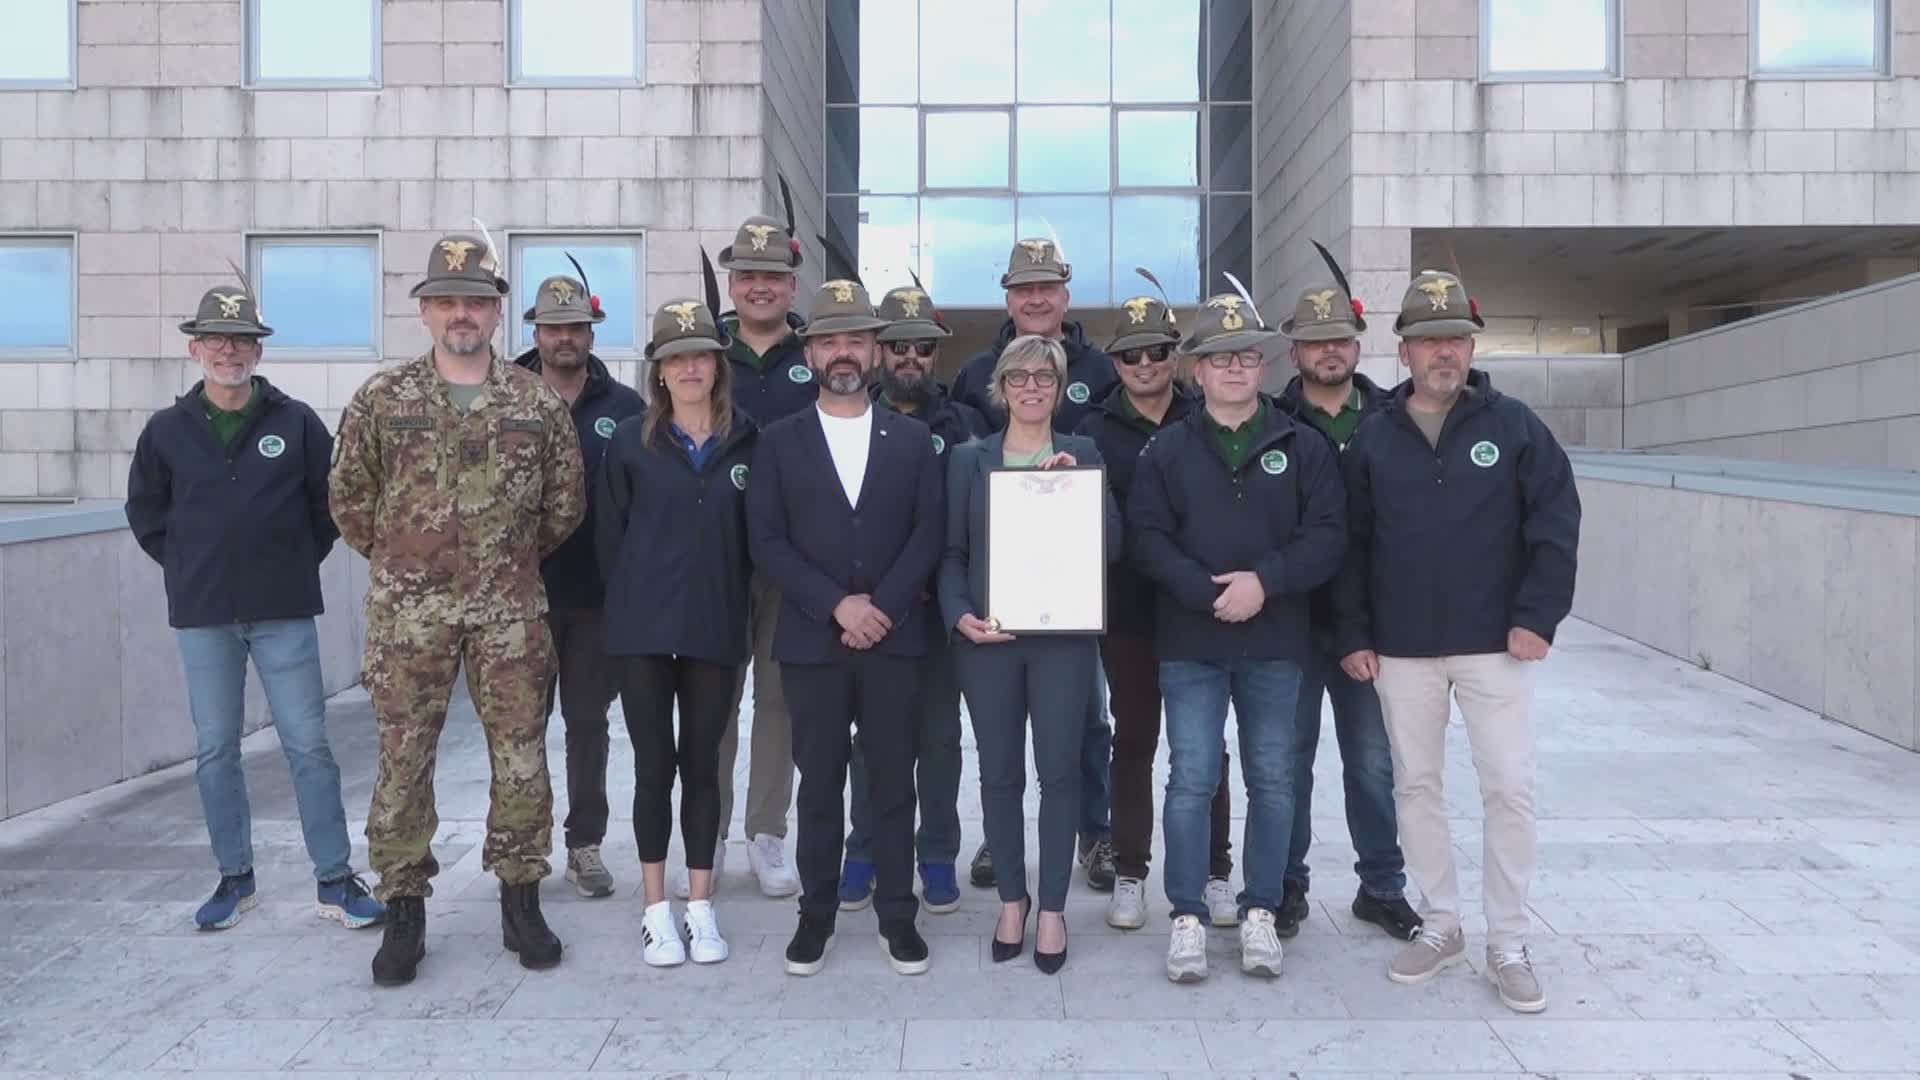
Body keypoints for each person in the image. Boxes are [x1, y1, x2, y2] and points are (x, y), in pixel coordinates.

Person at [330, 233, 586, 986]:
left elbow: (564, 505)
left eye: (474, 301)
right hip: (410, 615)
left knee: (521, 756)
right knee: (403, 758)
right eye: (445, 301)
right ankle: (404, 908)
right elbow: (349, 499)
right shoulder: (383, 399)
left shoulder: (534, 402)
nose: (461, 314)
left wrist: (502, 561)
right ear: (425, 313)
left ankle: (521, 898)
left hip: (509, 611)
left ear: (497, 311)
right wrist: (409, 560)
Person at [1335, 270, 1580, 1014]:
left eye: (1456, 339)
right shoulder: (1373, 436)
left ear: (1471, 348)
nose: (1444, 352)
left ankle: (1508, 939)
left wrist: (1538, 616)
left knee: (1509, 786)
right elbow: (1350, 544)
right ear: (1404, 350)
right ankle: (1441, 922)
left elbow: (1555, 521)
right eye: (1429, 339)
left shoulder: (1514, 427)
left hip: (1494, 645)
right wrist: (1354, 632)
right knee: (1416, 786)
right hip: (1401, 648)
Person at [126, 284, 385, 934]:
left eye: (241, 339)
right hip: (204, 614)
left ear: (258, 350)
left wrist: (293, 561)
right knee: (216, 750)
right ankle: (234, 878)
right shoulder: (166, 431)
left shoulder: (295, 422)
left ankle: (335, 880)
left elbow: (331, 505)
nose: (229, 350)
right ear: (195, 348)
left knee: (308, 745)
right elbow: (146, 513)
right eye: (216, 339)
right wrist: (189, 567)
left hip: (283, 610)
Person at [1128, 293, 1347, 983]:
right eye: (1219, 358)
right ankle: (1188, 915)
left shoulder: (1302, 446)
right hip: (1190, 641)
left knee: (1275, 779)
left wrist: (1265, 582)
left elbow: (1328, 535)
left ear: (1263, 366)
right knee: (1191, 778)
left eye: (1246, 357)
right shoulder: (1167, 449)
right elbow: (1146, 538)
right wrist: (1207, 592)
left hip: (1277, 640)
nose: (1233, 368)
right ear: (1196, 370)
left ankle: (1261, 909)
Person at [746, 279, 944, 978]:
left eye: (856, 340)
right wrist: (838, 606)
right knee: (820, 784)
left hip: (894, 639)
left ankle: (897, 915)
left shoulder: (913, 440)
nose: (843, 353)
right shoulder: (779, 441)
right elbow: (767, 542)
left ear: (876, 351)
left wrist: (879, 607)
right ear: (810, 353)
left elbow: (928, 533)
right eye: (830, 340)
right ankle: (817, 914)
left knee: (892, 784)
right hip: (812, 640)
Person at [940, 335, 1121, 975]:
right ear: (1002, 388)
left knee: (1061, 771)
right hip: (989, 641)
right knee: (998, 774)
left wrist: (1077, 492)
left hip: (1063, 641)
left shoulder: (1084, 453)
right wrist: (958, 614)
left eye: (1045, 377)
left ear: (1059, 386)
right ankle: (1011, 900)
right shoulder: (970, 460)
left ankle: (1052, 909)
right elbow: (952, 554)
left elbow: (1113, 546)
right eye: (1019, 377)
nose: (1032, 388)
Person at [595, 293, 758, 968]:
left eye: (701, 356)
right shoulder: (631, 443)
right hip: (642, 631)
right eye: (676, 357)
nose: (690, 368)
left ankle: (701, 905)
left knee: (703, 767)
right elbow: (609, 541)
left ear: (718, 366)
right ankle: (656, 910)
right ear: (659, 370)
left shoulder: (748, 439)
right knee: (654, 767)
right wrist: (635, 603)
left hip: (715, 627)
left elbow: (758, 539)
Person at [1074, 295, 1236, 932]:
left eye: (1158, 352)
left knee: (1205, 747)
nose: (1145, 364)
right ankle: (1131, 871)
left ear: (1178, 358)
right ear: (1115, 362)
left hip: (1199, 607)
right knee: (1134, 739)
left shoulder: (1208, 416)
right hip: (1129, 611)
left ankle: (1215, 871)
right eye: (1131, 354)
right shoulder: (1089, 428)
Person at [1271, 273, 1422, 941]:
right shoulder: (1272, 422)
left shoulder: (1394, 418)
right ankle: (1286, 883)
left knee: (1372, 761)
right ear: (1294, 351)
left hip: (1371, 625)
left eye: (1339, 338)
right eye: (1315, 341)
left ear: (1358, 345)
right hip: (1293, 623)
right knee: (1287, 761)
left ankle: (1381, 886)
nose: (1328, 350)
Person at [839, 284, 986, 915]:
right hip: (874, 609)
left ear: (936, 354)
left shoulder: (970, 427)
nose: (909, 357)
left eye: (922, 347)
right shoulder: (850, 421)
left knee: (940, 739)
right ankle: (865, 849)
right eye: (897, 345)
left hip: (942, 609)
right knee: (871, 738)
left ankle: (939, 854)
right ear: (878, 351)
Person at [512, 272, 643, 900]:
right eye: (553, 327)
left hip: (596, 597)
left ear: (592, 334)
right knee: (518, 729)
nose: (565, 337)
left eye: (576, 327)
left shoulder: (627, 409)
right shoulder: (501, 399)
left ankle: (584, 845)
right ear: (535, 333)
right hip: (515, 600)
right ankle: (521, 845)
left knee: (588, 726)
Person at [703, 213, 816, 899]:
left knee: (780, 700)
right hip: (717, 555)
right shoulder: (704, 353)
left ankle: (767, 832)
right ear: (732, 283)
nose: (760, 286)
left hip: (795, 561)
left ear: (792, 284)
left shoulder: (816, 355)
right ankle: (708, 834)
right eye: (747, 275)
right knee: (714, 701)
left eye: (773, 276)